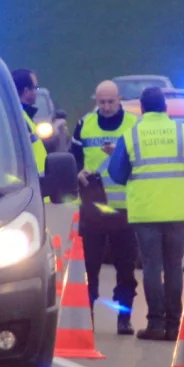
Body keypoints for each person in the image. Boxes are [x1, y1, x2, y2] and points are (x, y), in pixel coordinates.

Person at [108, 87, 184, 341]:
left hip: (146, 211)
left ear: (142, 108)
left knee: (152, 267)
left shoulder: (131, 135)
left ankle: (155, 324)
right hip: (177, 209)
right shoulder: (183, 132)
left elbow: (116, 174)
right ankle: (174, 325)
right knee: (174, 267)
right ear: (166, 107)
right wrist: (180, 180)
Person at [70, 80, 140, 335]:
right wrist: (78, 173)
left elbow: (141, 162)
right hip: (93, 208)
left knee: (125, 265)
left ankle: (124, 316)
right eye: (102, 102)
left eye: (111, 101)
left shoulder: (134, 125)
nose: (107, 107)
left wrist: (119, 153)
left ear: (120, 99)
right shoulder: (84, 124)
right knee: (90, 265)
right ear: (95, 101)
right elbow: (73, 157)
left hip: (125, 209)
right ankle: (86, 313)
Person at [11, 68, 47, 175]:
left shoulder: (21, 115)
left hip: (37, 186)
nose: (37, 92)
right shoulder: (18, 119)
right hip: (32, 187)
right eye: (36, 88)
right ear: (26, 91)